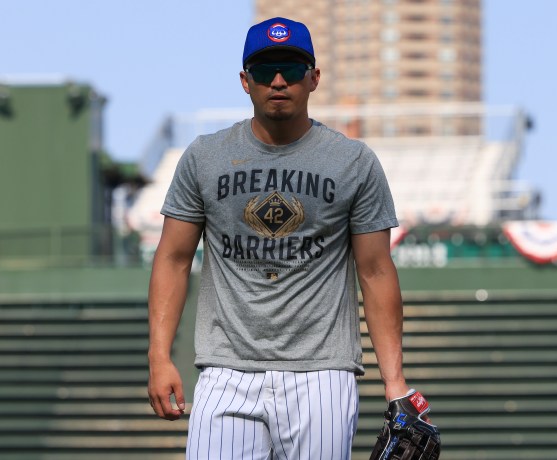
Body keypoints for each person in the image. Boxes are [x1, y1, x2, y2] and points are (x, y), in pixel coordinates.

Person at [147, 16, 413, 459]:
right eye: (263, 70)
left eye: (290, 69)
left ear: (313, 78)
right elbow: (173, 258)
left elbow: (376, 271)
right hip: (225, 369)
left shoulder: (353, 162)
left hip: (322, 372)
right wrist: (159, 356)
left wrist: (394, 381)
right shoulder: (204, 157)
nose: (277, 81)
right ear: (244, 81)